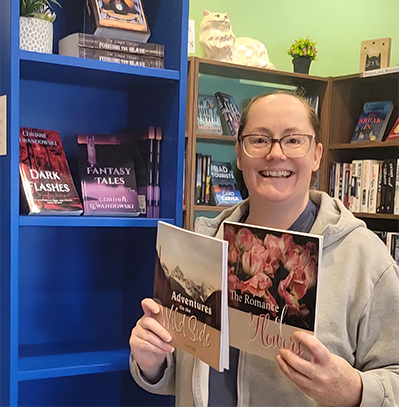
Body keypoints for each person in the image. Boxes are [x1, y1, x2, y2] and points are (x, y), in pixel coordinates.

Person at [129, 92, 399, 406]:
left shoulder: (362, 257)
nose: (275, 154)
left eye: (293, 140)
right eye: (259, 140)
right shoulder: (205, 241)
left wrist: (353, 391)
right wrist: (153, 362)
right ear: (240, 155)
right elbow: (189, 370)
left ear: (316, 155)